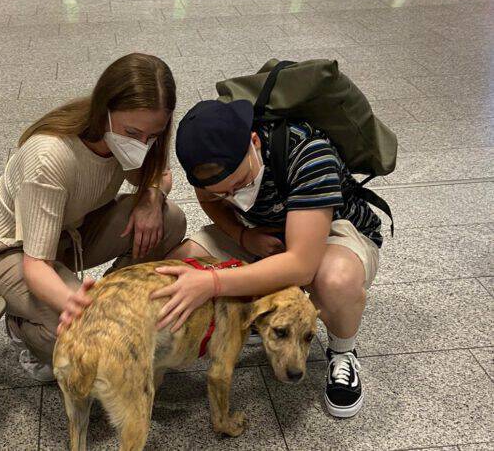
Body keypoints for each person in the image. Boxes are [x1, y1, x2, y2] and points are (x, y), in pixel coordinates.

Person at [151, 99, 382, 418]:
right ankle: (253, 318)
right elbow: (209, 200)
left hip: (334, 231)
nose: (233, 196)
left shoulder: (308, 154)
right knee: (179, 263)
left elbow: (301, 266)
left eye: (240, 184)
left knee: (335, 280)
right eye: (223, 192)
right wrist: (242, 236)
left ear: (254, 143)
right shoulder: (209, 170)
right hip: (264, 233)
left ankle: (343, 353)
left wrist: (213, 282)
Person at [0, 53, 187, 381]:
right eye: (132, 132)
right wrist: (81, 306)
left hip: (68, 231)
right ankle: (22, 327)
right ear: (104, 111)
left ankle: (116, 299)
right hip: (5, 251)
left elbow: (161, 174)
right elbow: (36, 265)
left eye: (153, 136)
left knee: (169, 219)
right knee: (88, 341)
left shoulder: (133, 134)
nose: (142, 145)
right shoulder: (50, 156)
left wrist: (151, 198)